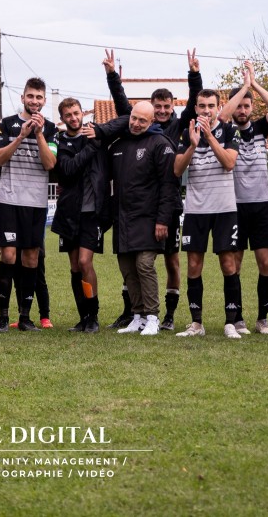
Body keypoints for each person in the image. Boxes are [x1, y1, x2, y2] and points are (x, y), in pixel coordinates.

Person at [101, 49, 202, 330]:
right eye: (155, 107)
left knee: (165, 262)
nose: (160, 111)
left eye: (165, 107)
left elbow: (194, 104)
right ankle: (136, 315)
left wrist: (194, 75)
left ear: (172, 107)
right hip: (131, 213)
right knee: (130, 266)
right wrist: (112, 75)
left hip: (162, 210)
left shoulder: (175, 130)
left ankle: (163, 316)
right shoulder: (132, 132)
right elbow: (123, 105)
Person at [217, 61, 268, 334]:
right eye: (239, 106)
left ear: (252, 108)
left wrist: (253, 85)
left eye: (247, 106)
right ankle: (238, 318)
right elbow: (222, 116)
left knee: (266, 263)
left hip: (260, 206)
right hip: (233, 207)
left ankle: (262, 318)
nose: (242, 111)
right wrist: (242, 87)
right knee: (234, 263)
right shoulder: (225, 131)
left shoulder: (260, 129)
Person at [173, 89, 242, 338]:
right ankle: (196, 323)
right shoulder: (187, 132)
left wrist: (210, 137)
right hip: (196, 210)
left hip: (224, 209)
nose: (205, 110)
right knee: (193, 265)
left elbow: (229, 163)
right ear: (196, 108)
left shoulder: (230, 131)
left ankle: (231, 323)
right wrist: (192, 145)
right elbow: (177, 170)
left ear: (218, 107)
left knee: (228, 263)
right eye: (201, 106)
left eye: (210, 106)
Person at [0, 78, 57, 332]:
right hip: (9, 199)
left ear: (44, 101)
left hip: (36, 202)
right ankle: (2, 317)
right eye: (30, 96)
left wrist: (39, 134)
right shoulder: (7, 124)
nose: (34, 101)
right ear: (23, 98)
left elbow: (50, 164)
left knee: (31, 257)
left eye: (39, 97)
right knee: (9, 254)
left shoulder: (50, 128)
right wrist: (20, 136)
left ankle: (26, 316)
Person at [108, 101, 177, 336]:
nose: (136, 124)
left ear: (152, 122)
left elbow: (169, 186)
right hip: (123, 218)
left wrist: (163, 220)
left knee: (144, 265)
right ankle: (137, 316)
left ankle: (153, 317)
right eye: (134, 118)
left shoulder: (160, 144)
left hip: (149, 218)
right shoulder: (119, 144)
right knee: (127, 268)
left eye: (142, 120)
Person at [52, 91, 110, 333]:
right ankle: (83, 317)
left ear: (83, 112)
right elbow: (67, 171)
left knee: (85, 262)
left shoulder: (96, 133)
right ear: (63, 118)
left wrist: (96, 139)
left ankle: (93, 315)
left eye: (76, 113)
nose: (73, 118)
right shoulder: (60, 142)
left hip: (92, 212)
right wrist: (91, 147)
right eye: (68, 115)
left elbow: (120, 124)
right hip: (69, 213)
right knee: (75, 267)